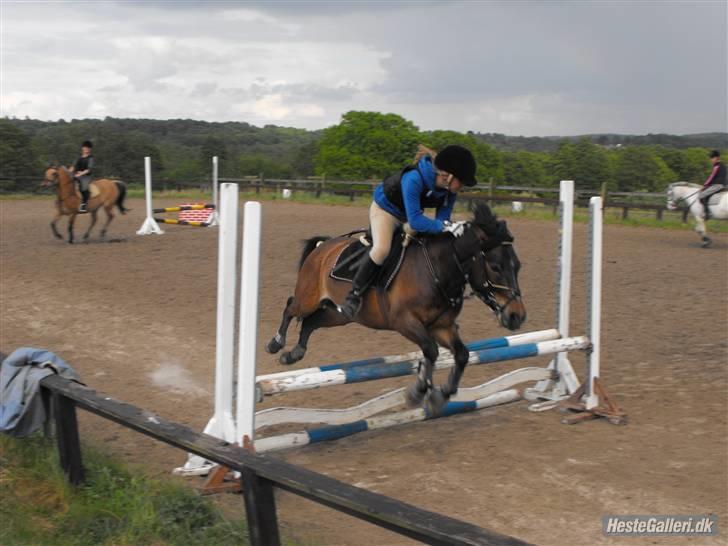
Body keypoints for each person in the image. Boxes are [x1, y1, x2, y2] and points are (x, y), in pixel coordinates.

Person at [338, 144, 478, 320]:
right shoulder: (414, 178)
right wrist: (446, 227)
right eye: (462, 181)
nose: (463, 186)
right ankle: (354, 297)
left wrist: (450, 228)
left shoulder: (449, 191)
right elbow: (417, 221)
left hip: (408, 216)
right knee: (382, 249)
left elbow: (442, 221)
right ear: (448, 175)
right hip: (386, 211)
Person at [699, 150, 726, 219]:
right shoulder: (724, 165)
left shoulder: (716, 166)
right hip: (723, 185)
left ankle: (707, 214)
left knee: (701, 196)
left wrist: (704, 185)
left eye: (711, 158)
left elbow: (711, 177)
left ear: (716, 158)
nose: (711, 160)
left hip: (717, 185)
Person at [72, 140, 95, 213]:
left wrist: (80, 174)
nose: (86, 149)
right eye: (85, 147)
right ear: (82, 148)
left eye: (88, 148)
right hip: (78, 175)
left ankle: (84, 205)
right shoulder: (79, 158)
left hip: (86, 176)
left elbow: (89, 169)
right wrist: (68, 172)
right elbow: (73, 167)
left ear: (90, 149)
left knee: (83, 188)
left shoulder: (91, 158)